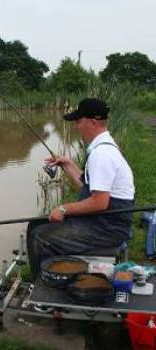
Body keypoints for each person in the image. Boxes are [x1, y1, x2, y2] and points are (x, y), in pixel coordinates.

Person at [27, 98, 135, 279]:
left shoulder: (101, 155)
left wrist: (63, 208)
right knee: (36, 225)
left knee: (40, 237)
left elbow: (99, 202)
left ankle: (43, 286)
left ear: (93, 121)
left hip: (107, 228)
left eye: (79, 121)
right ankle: (56, 273)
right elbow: (89, 189)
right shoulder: (104, 146)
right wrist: (68, 164)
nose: (76, 126)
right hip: (104, 221)